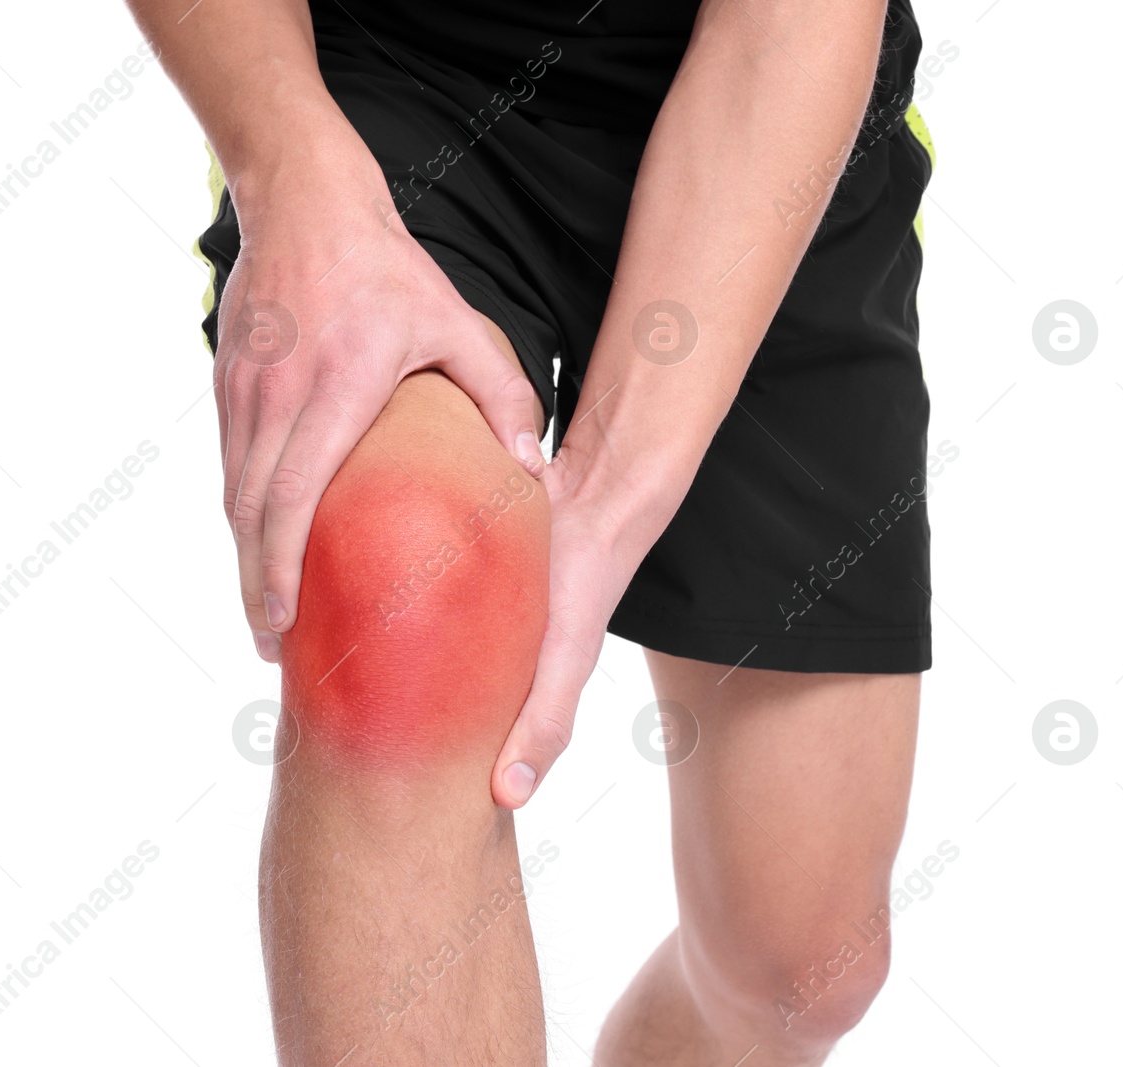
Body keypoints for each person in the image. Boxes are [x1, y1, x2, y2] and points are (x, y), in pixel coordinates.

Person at [129, 0, 936, 1061]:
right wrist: (293, 177)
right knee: (405, 590)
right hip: (391, 72)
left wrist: (606, 501)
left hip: (768, 98)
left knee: (797, 964)